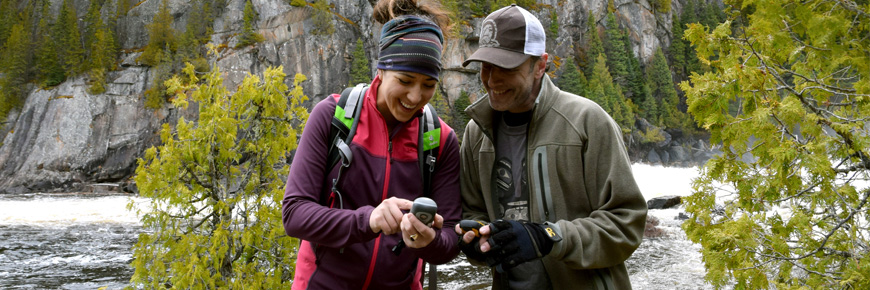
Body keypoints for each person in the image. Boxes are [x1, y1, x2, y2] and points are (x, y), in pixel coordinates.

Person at [455, 4, 648, 289]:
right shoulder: (476, 132)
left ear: (540, 65)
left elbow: (626, 223)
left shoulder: (587, 121)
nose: (492, 80)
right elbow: (473, 212)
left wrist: (549, 237)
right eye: (486, 66)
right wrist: (474, 240)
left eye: (506, 67)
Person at [282, 0, 460, 288]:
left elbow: (450, 239)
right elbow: (294, 214)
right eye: (405, 80)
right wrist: (368, 220)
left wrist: (428, 241)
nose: (415, 97)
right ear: (381, 70)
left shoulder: (440, 140)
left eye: (428, 85)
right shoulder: (333, 117)